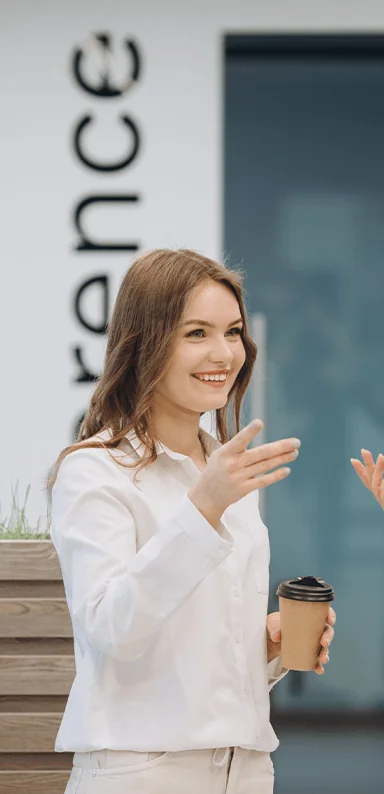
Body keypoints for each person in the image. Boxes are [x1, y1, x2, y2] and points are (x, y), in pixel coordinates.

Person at [49, 249, 336, 794]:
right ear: (146, 341)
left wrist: (266, 647)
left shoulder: (226, 471)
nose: (223, 353)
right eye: (196, 333)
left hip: (246, 769)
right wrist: (203, 509)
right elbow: (112, 629)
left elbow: (191, 638)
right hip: (143, 772)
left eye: (232, 332)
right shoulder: (94, 470)